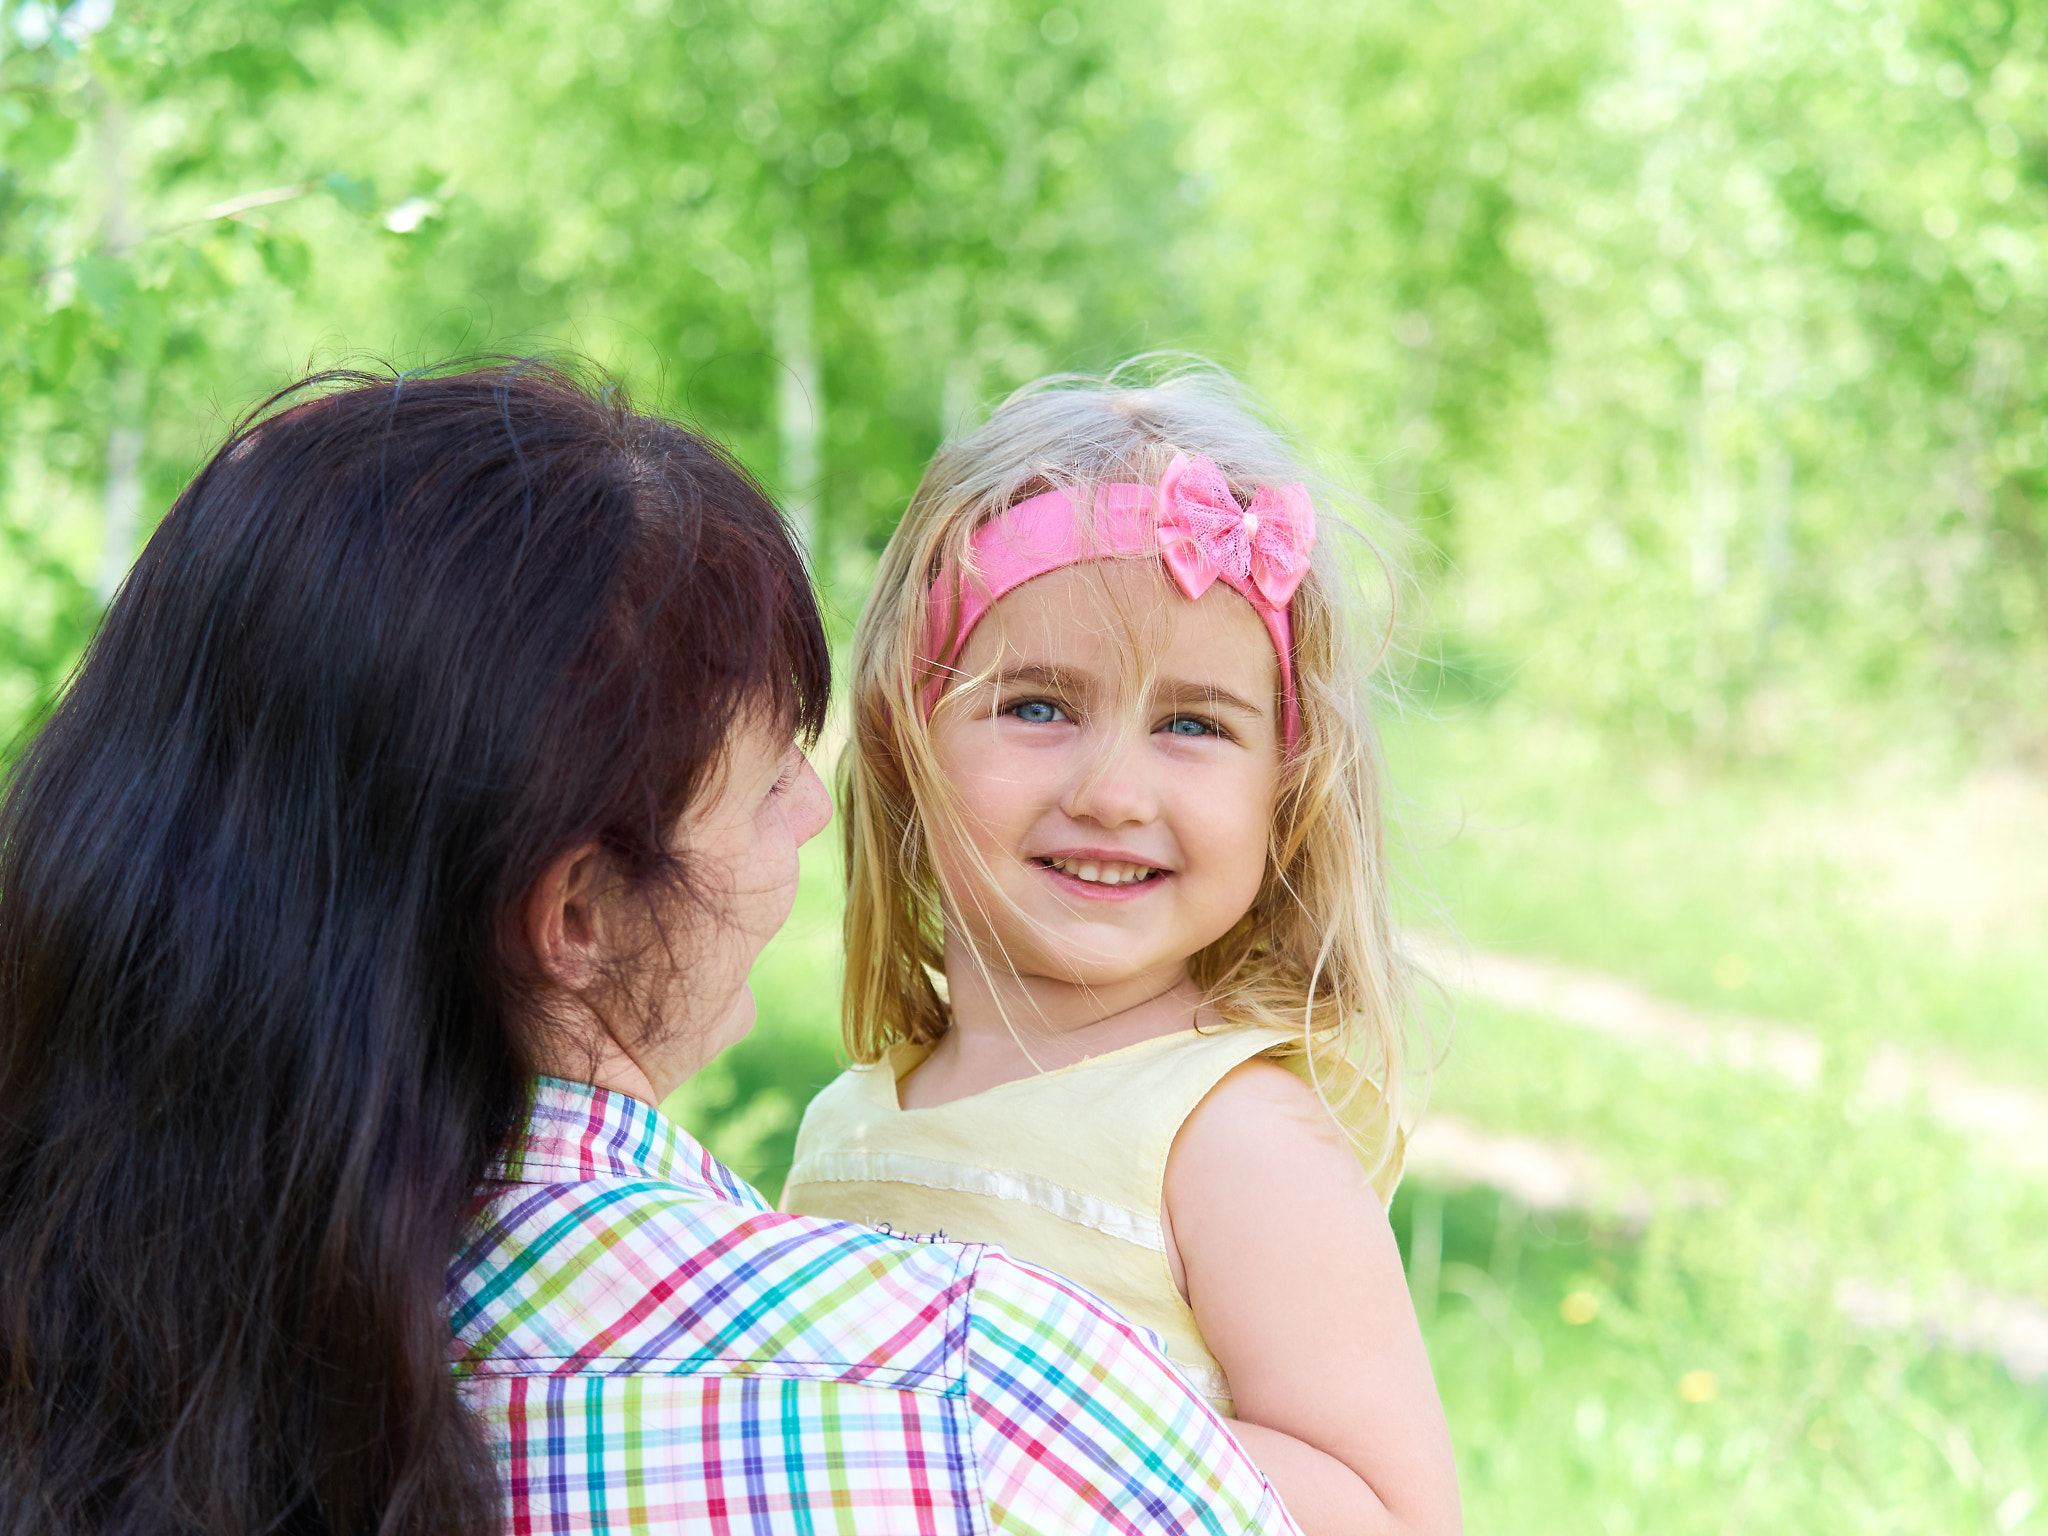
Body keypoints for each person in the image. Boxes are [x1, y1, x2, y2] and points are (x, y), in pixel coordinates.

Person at [0, 362, 1301, 1535]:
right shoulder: (988, 1404)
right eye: (762, 774)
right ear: (573, 914)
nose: (816, 805)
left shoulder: (106, 1309)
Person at [782, 365, 1463, 1536]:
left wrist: (1032, 1409)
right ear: (906, 740)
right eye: (1037, 706)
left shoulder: (1229, 1135)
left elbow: (1388, 1513)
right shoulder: (853, 1120)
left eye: (1191, 725)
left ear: (1283, 793)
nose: (1110, 791)